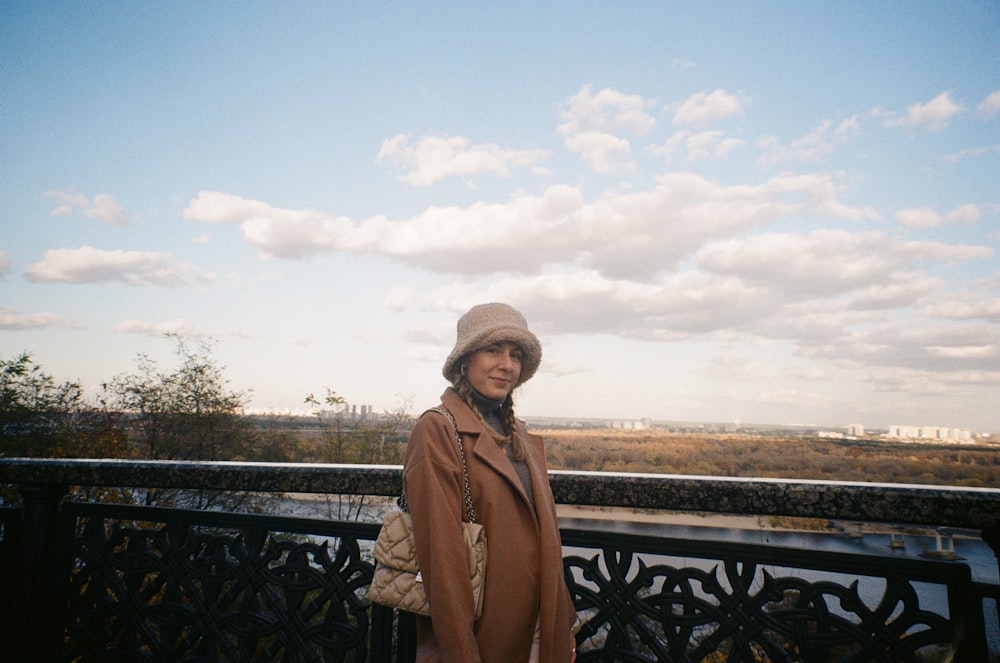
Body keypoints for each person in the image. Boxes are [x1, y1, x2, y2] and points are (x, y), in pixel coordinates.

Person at [402, 302, 578, 662]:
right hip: (485, 636)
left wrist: (562, 630)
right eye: (493, 350)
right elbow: (442, 564)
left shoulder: (520, 435)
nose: (506, 364)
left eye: (515, 355)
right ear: (464, 361)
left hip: (537, 632)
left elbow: (548, 541)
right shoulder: (437, 429)